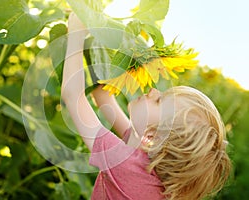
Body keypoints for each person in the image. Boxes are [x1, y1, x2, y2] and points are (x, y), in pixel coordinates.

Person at [61, 13, 231, 200]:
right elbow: (103, 98)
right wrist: (102, 45)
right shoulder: (149, 166)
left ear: (152, 137)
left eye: (159, 101)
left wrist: (76, 32)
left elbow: (73, 97)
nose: (154, 91)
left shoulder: (125, 166)